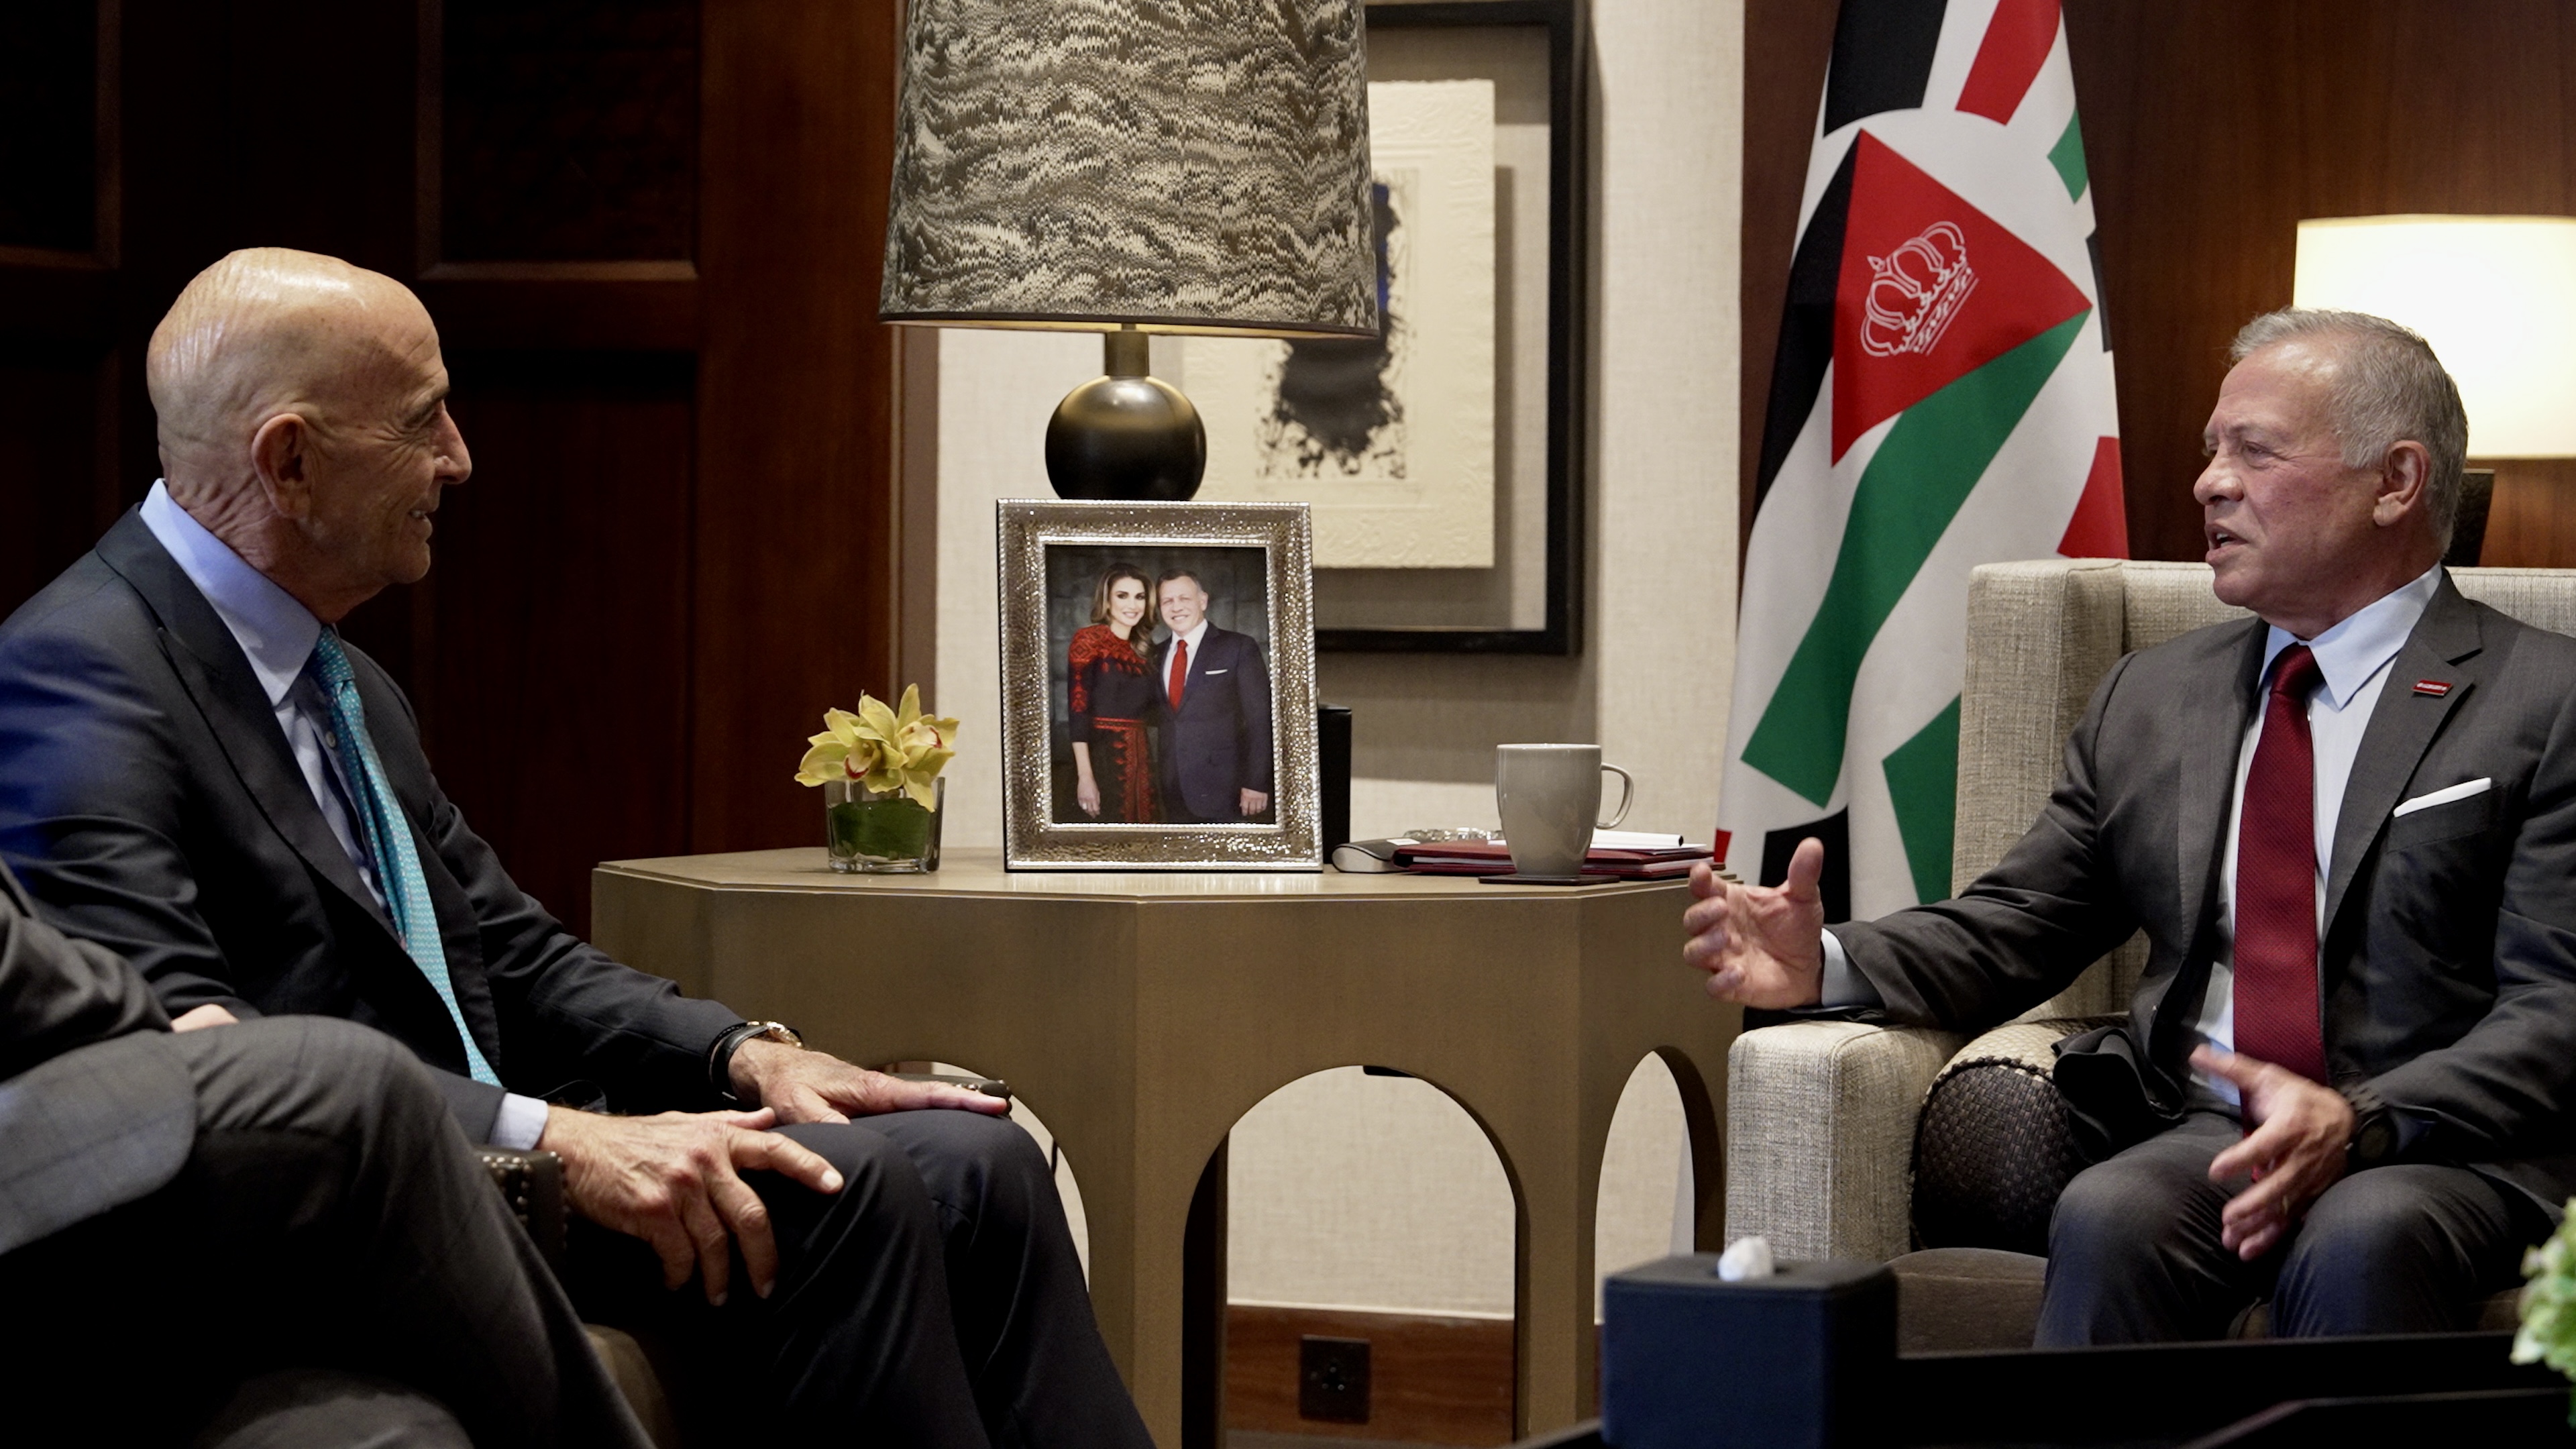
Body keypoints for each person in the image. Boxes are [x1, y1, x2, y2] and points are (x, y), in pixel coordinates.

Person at [0, 248, 1150, 1448]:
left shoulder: (339, 680)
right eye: (422, 421)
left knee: (982, 1163)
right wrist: (561, 1141)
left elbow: (516, 954)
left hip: (499, 1146)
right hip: (376, 1210)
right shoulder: (76, 681)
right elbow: (183, 1063)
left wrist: (746, 1055)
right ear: (289, 462)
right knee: (849, 1192)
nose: (458, 457)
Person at [1687, 309, 2576, 1344]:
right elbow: (2022, 920)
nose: (2211, 484)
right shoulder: (2154, 699)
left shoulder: (2542, 699)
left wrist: (2364, 1118)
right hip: (2213, 1130)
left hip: (2447, 1145)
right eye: (2211, 451)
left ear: (2396, 481)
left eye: (2256, 451)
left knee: (2363, 1234)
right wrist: (1826, 961)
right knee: (2112, 1213)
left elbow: (2557, 1002)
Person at [0, 856, 650, 1449]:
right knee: (359, 1087)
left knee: (395, 1433)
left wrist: (714, 1046)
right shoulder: (95, 759)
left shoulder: (378, 757)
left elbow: (521, 949)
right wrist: (138, 1015)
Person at [1150, 569, 1274, 824]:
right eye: (1167, 601)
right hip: (1172, 789)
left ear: (1203, 601)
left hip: (1227, 789)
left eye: (1184, 598)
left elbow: (1260, 720)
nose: (1176, 607)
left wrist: (1256, 782)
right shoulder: (1155, 654)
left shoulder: (1238, 647)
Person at [1067, 564, 1163, 822]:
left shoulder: (1147, 650)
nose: (1133, 605)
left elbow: (1157, 711)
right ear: (1107, 602)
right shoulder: (1089, 640)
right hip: (1101, 758)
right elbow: (1077, 710)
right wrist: (1085, 777)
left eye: (1139, 597)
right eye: (1122, 596)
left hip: (1142, 759)